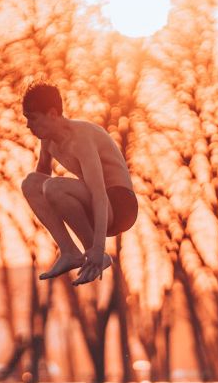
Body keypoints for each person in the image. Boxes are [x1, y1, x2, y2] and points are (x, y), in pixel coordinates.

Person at [19, 81, 140, 286]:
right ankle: (69, 251)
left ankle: (94, 252)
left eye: (33, 119)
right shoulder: (48, 140)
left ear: (52, 114)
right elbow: (40, 182)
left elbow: (99, 194)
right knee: (30, 183)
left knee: (53, 187)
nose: (28, 125)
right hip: (98, 206)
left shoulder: (81, 139)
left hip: (120, 205)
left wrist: (98, 246)